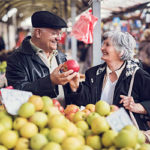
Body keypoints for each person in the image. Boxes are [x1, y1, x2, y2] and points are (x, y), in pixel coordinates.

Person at [67, 31, 150, 130]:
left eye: (107, 45)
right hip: (96, 129)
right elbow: (85, 102)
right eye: (103, 44)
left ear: (121, 52)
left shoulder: (138, 76)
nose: (102, 48)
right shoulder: (93, 73)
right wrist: (76, 88)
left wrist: (139, 107)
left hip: (125, 133)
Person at [6, 11, 77, 106]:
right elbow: (18, 92)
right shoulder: (17, 59)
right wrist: (50, 81)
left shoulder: (60, 56)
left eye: (60, 33)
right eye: (54, 33)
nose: (59, 38)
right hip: (37, 118)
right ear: (38, 33)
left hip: (64, 116)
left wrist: (75, 89)